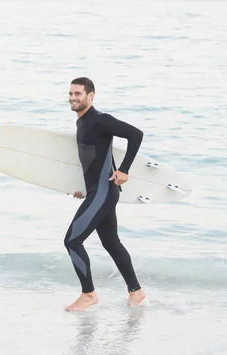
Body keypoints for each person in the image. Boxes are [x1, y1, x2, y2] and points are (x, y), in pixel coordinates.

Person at [64, 77, 147, 311]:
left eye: (78, 94)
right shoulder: (81, 122)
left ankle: (88, 294)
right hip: (98, 192)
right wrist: (83, 187)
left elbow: (136, 134)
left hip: (103, 192)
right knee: (111, 243)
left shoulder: (100, 120)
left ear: (90, 96)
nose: (72, 98)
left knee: (72, 241)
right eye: (70, 93)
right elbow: (95, 160)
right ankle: (136, 291)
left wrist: (125, 169)